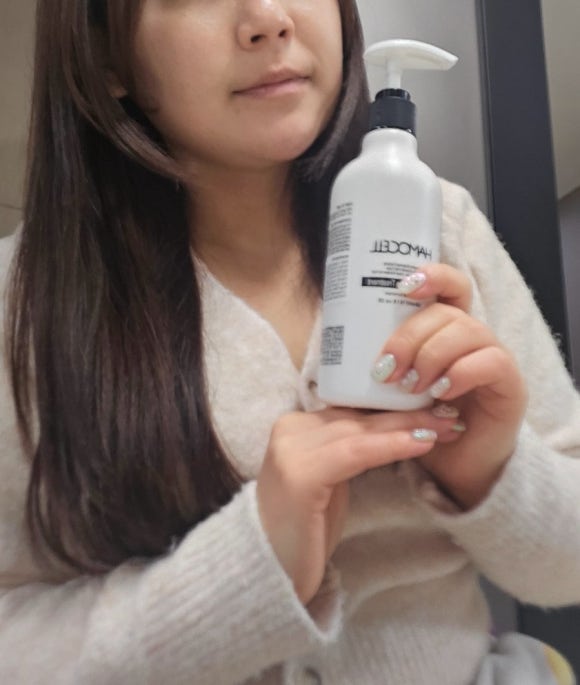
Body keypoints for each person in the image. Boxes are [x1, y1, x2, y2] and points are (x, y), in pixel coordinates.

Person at [0, 1, 578, 683]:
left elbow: (569, 565)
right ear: (106, 58)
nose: (268, 18)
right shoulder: (26, 303)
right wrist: (244, 573)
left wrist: (491, 468)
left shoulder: (443, 226)